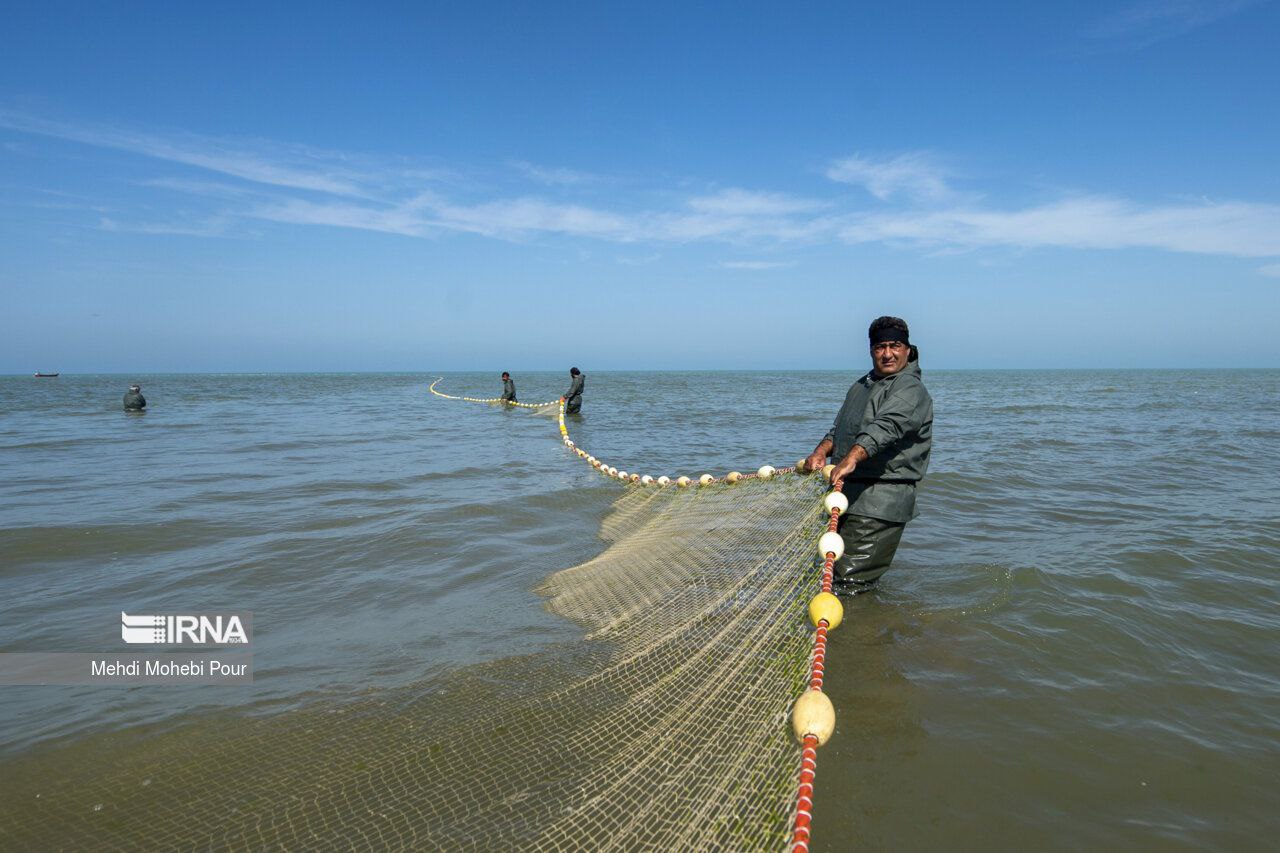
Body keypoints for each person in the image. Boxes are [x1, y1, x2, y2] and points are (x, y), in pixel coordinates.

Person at [803, 316, 932, 593]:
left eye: (895, 346)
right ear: (871, 350)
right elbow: (839, 430)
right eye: (880, 347)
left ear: (908, 349)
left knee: (848, 584)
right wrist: (820, 452)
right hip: (845, 493)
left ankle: (861, 635)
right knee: (821, 575)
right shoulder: (862, 385)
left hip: (881, 502)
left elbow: (887, 427)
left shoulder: (910, 388)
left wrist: (851, 458)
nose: (887, 354)